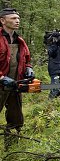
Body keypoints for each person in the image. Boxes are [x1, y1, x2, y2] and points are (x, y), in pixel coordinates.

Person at [0, 8, 33, 149]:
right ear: (2, 20)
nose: (17, 20)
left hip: (15, 84)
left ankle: (12, 148)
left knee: (16, 117)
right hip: (1, 83)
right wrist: (1, 77)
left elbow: (26, 59)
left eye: (18, 18)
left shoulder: (20, 41)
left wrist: (28, 68)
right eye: (13, 18)